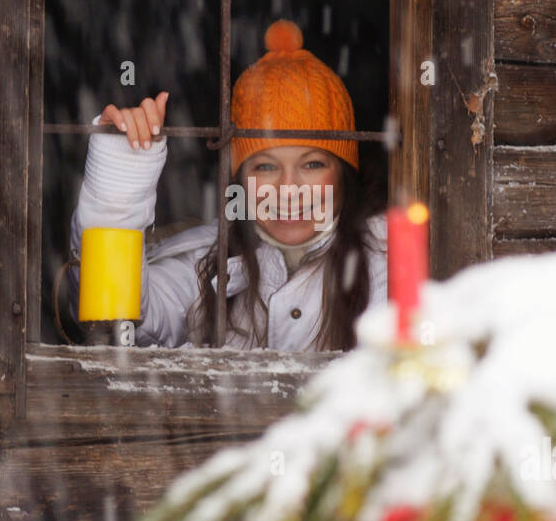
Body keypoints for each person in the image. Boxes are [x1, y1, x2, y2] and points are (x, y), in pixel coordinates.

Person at [69, 19, 387, 350]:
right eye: (266, 166)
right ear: (241, 180)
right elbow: (121, 311)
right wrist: (120, 179)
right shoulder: (209, 261)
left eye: (312, 164)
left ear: (342, 174)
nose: (289, 187)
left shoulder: (385, 265)